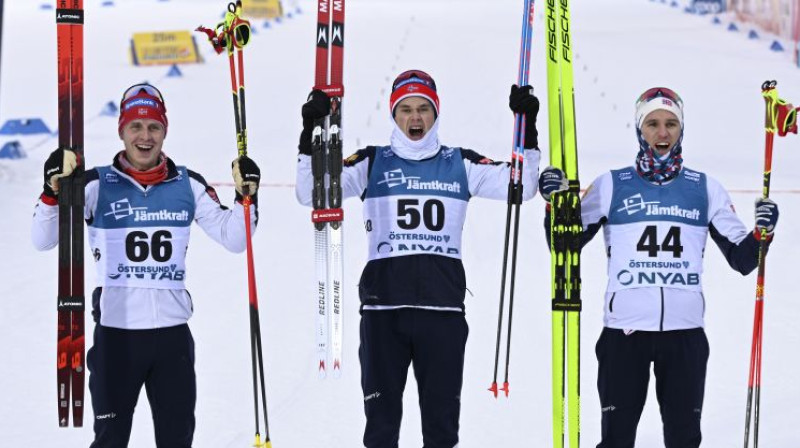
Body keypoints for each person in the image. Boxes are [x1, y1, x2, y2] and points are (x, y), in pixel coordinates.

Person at [296, 70, 542, 448]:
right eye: (406, 109)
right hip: (383, 315)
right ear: (394, 115)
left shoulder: (460, 163)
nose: (415, 118)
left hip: (441, 315)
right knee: (381, 429)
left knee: (441, 431)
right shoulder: (371, 161)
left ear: (435, 112)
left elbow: (521, 188)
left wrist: (527, 130)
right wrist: (311, 131)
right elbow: (312, 194)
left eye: (423, 109)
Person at [539, 87, 780, 448]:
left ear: (681, 130)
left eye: (671, 124)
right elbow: (563, 245)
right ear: (640, 129)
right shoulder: (611, 185)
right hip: (624, 336)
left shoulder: (705, 189)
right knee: (617, 439)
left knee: (683, 439)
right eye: (652, 124)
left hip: (685, 336)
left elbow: (743, 259)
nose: (662, 133)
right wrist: (554, 206)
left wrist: (764, 231)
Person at [31, 83, 261, 448]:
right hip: (117, 337)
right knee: (110, 440)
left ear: (164, 131)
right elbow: (43, 239)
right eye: (135, 127)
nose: (145, 136)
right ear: (121, 131)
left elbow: (234, 239)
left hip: (172, 339)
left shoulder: (188, 184)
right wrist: (52, 192)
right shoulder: (93, 185)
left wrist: (246, 197)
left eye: (154, 126)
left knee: (176, 440)